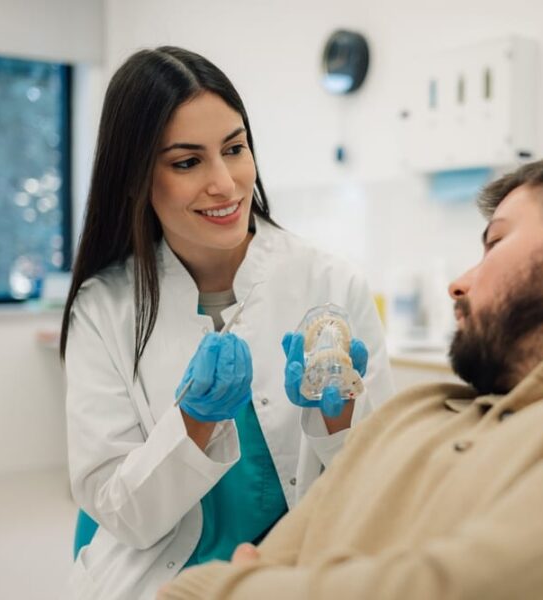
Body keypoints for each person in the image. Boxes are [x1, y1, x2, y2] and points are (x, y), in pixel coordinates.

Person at [157, 146, 543, 600]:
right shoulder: (417, 412)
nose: (459, 283)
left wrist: (223, 589)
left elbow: (483, 587)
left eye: (494, 243)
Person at [60, 46, 394, 599]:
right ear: (137, 179)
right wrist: (192, 421)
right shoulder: (103, 308)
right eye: (187, 162)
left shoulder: (331, 284)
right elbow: (123, 515)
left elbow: (378, 488)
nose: (226, 183)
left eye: (234, 149)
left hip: (296, 569)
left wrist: (341, 423)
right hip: (161, 577)